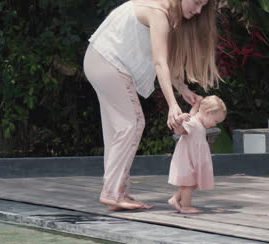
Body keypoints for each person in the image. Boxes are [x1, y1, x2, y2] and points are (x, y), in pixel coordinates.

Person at [83, 0, 221, 211]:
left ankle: (117, 192)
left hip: (98, 59)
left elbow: (162, 58)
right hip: (109, 63)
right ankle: (112, 192)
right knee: (133, 123)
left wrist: (182, 88)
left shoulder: (160, 9)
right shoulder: (158, 12)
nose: (198, 10)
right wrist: (173, 105)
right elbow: (159, 63)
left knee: (119, 130)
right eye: (197, 3)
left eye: (203, 6)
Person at [168, 95, 226, 214]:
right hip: (187, 159)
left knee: (193, 183)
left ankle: (175, 199)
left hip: (193, 159)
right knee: (189, 184)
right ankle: (186, 206)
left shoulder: (197, 120)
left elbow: (194, 112)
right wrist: (179, 120)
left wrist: (197, 103)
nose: (215, 125)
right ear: (208, 113)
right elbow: (179, 131)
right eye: (216, 121)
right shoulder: (193, 123)